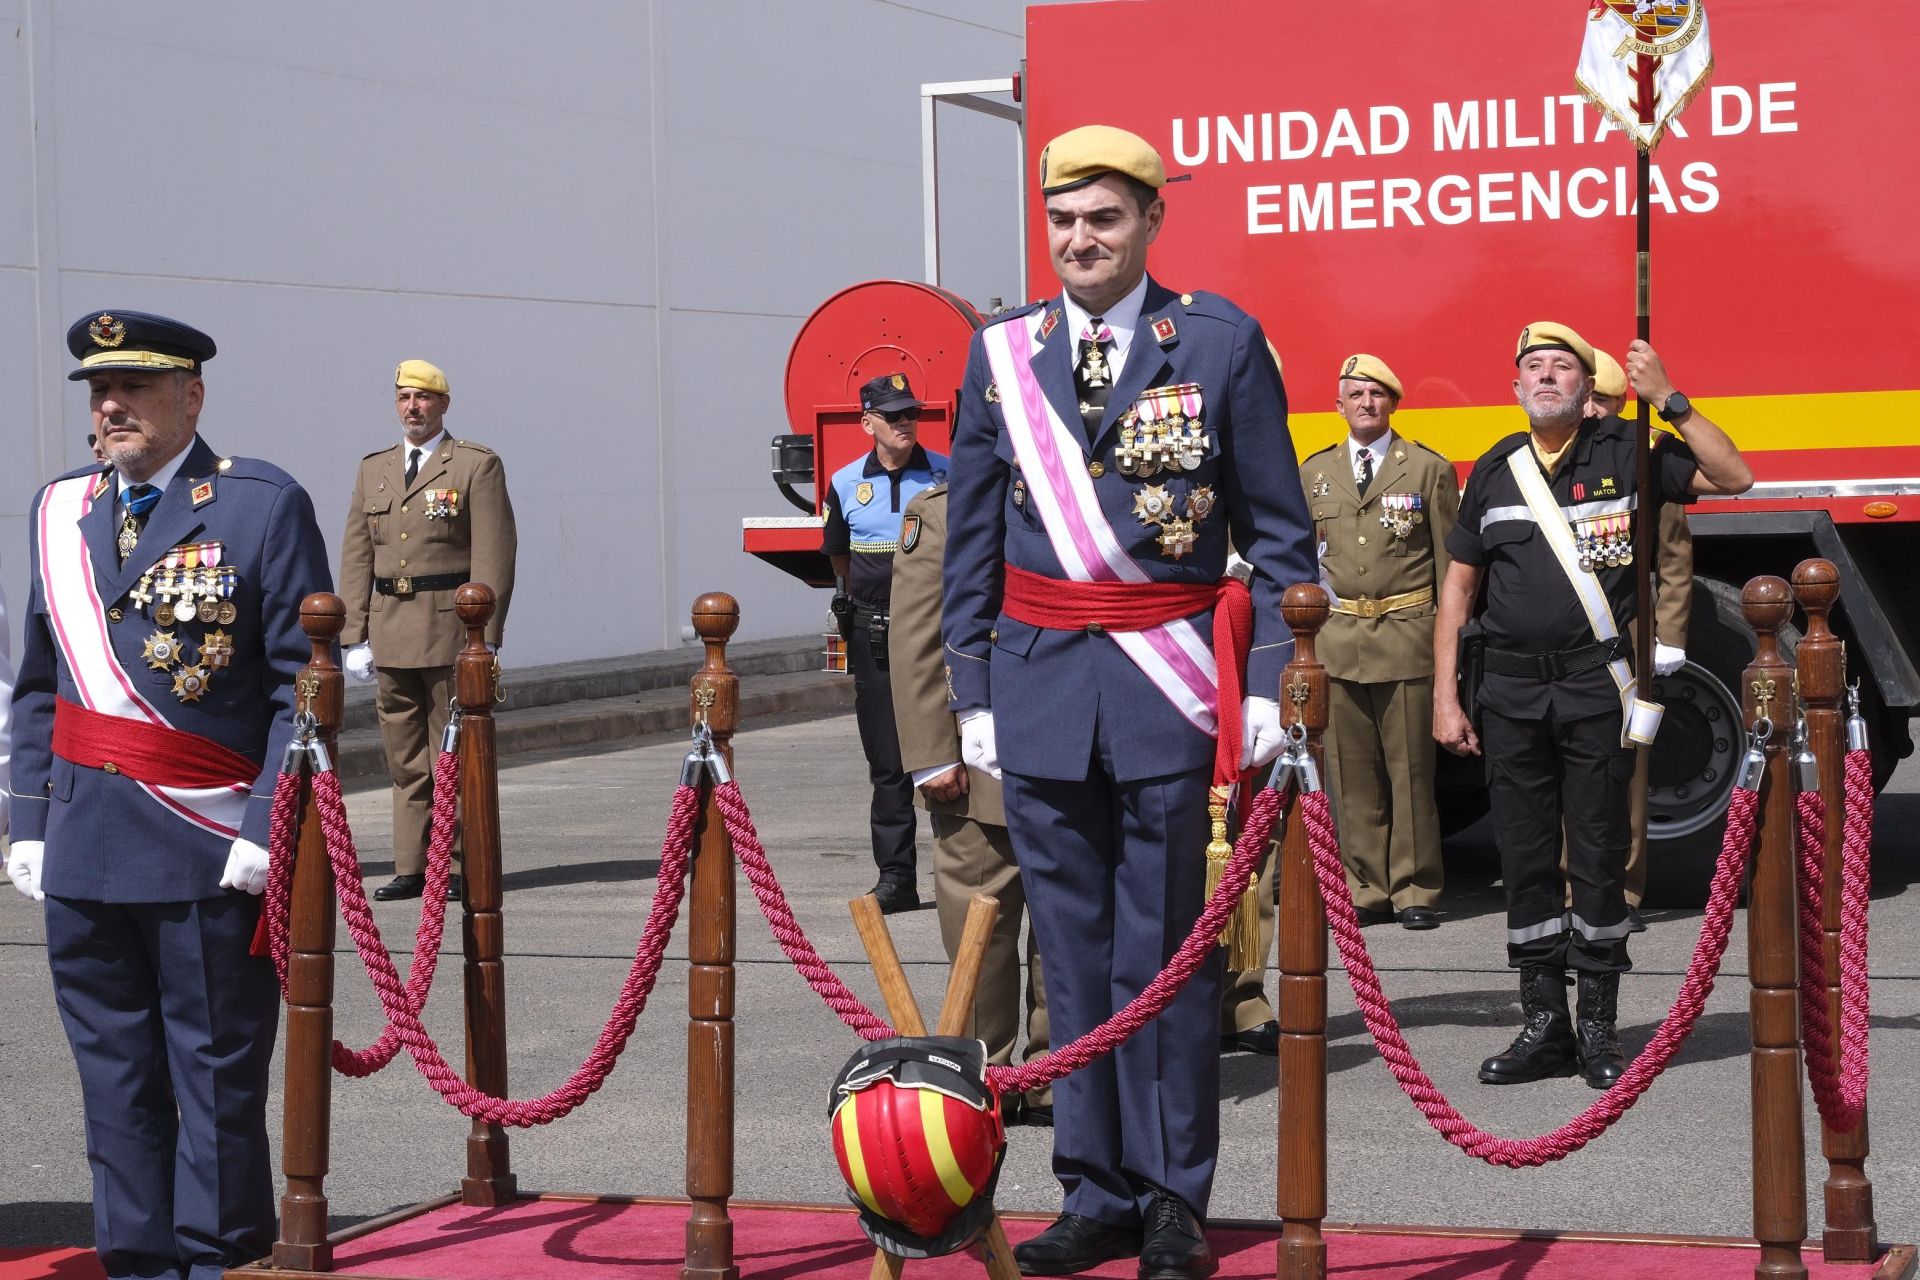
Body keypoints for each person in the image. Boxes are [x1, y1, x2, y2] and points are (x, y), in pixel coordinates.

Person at [942, 124, 1316, 1278]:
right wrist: (972, 691)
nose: (1080, 239)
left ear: (1152, 219)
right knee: (1071, 956)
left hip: (1169, 689)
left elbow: (1282, 537)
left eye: (1103, 217)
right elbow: (969, 542)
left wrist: (1266, 684)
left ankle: (1169, 1198)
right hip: (1042, 688)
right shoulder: (1001, 354)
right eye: (1062, 219)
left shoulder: (1218, 343)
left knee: (1168, 959)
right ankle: (1092, 1189)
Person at [6, 309, 333, 1279]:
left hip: (205, 845)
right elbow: (37, 684)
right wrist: (28, 821)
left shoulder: (258, 505)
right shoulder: (59, 510)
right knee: (114, 1081)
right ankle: (138, 1258)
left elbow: (302, 688)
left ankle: (218, 1256)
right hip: (83, 843)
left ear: (191, 395)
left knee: (216, 1077)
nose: (112, 406)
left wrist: (272, 822)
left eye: (135, 387)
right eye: (100, 390)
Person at [1433, 323, 1751, 1090]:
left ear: (1586, 388)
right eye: (1534, 367)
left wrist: (1669, 398)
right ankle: (1544, 1025)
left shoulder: (1628, 453)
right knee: (1523, 857)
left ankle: (1600, 1028)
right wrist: (1445, 696)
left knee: (1600, 856)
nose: (1547, 376)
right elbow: (1459, 588)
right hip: (1509, 692)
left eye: (1562, 367)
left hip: (1592, 688)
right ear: (1516, 387)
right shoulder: (1495, 469)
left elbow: (1733, 474)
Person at [887, 479, 1051, 1122]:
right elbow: (919, 635)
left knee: (1068, 930)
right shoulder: (947, 509)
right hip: (980, 763)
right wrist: (932, 752)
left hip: (1072, 747)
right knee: (982, 931)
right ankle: (987, 1075)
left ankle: (1058, 1073)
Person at [339, 360, 517, 902]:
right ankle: (412, 865)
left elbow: (493, 554)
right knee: (404, 759)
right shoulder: (374, 469)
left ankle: (460, 864)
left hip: (449, 632)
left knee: (453, 754)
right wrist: (352, 634)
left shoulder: (474, 464)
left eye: (422, 397)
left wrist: (484, 636)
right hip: (390, 630)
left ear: (443, 404)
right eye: (403, 398)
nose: (412, 407)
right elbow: (357, 554)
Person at [1300, 354, 1458, 930]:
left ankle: (1415, 888)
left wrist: (1450, 649)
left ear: (1393, 403)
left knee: (1411, 774)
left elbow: (1450, 569)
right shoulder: (1315, 472)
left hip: (1407, 636)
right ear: (1338, 405)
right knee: (1351, 774)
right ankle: (1364, 887)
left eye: (1377, 394)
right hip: (1339, 640)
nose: (1366, 403)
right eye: (1356, 394)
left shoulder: (1427, 469)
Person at [821, 373, 948, 915]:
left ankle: (959, 874)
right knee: (887, 759)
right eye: (893, 415)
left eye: (911, 414)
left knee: (951, 753)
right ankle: (897, 878)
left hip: (939, 630)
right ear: (867, 422)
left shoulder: (948, 473)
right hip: (876, 630)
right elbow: (838, 554)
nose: (905, 423)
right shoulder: (845, 482)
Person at [1588, 346, 1694, 927]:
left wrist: (1669, 634)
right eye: (1586, 399)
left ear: (1620, 404)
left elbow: (1673, 556)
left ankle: (1623, 892)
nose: (1591, 411)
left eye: (1603, 401)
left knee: (1628, 768)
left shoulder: (1644, 455)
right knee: (1568, 769)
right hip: (1564, 632)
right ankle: (1573, 889)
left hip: (1627, 632)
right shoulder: (1546, 456)